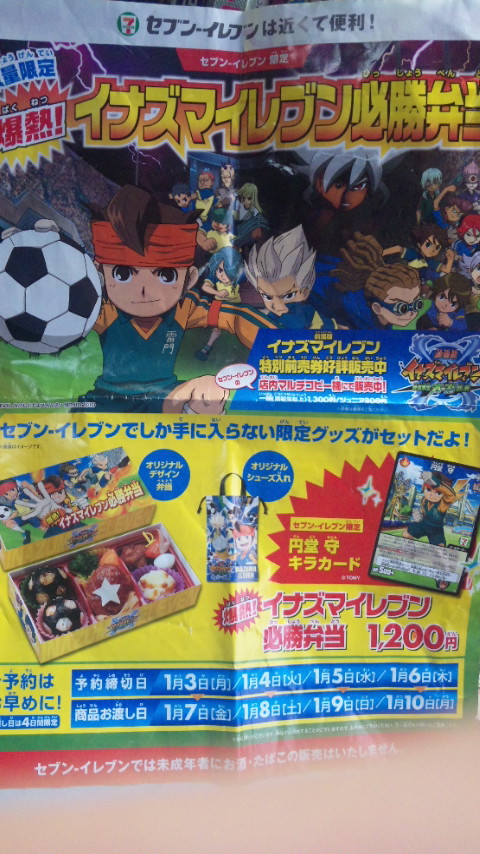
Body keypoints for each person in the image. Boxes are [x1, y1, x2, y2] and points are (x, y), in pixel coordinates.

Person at [79, 185, 278, 412]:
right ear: (99, 273)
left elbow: (234, 317)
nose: (144, 290)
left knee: (208, 391)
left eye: (166, 276)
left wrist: (282, 347)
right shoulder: (105, 309)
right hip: (109, 398)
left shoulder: (183, 308)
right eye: (122, 274)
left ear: (189, 278)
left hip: (165, 397)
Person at [245, 225, 334, 329]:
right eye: (267, 297)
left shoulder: (311, 310)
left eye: (288, 295)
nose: (277, 305)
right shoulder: (273, 314)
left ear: (305, 292)